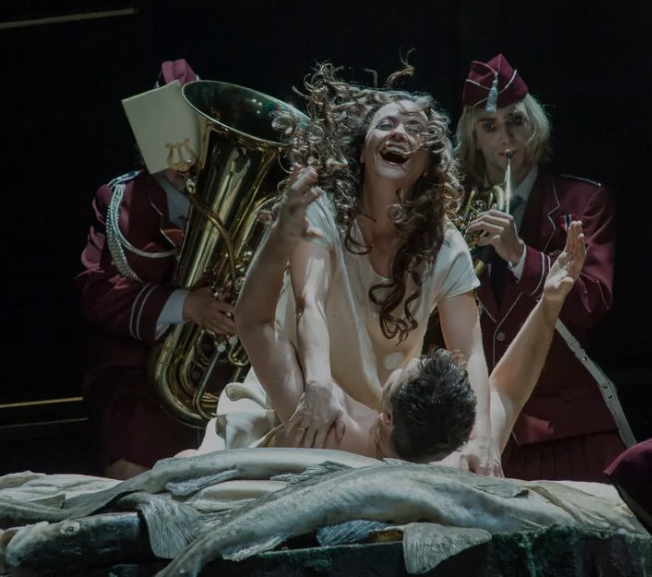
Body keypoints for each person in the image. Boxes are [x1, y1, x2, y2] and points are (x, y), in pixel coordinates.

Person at [198, 63, 501, 476]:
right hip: (302, 397)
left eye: (414, 129)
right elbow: (309, 302)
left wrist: (482, 437)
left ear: (427, 164)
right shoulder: (323, 214)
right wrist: (318, 385)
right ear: (362, 151)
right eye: (386, 124)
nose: (399, 133)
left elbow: (471, 351)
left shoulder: (446, 245)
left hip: (388, 425)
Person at [213, 167, 587, 465]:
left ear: (387, 417)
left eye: (411, 367)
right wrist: (548, 305)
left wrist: (280, 236)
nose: (413, 358)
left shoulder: (332, 434)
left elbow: (254, 323)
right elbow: (506, 393)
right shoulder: (455, 462)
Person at [457, 53, 623, 481]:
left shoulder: (583, 201)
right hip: (479, 433)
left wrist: (521, 256)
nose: (505, 138)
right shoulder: (451, 209)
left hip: (565, 430)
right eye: (489, 126)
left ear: (534, 125)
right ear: (474, 137)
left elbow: (591, 303)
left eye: (515, 121)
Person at [75, 60, 237, 481]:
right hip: (141, 375)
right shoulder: (119, 199)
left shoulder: (242, 195)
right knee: (133, 461)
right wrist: (186, 305)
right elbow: (98, 291)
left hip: (227, 371)